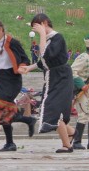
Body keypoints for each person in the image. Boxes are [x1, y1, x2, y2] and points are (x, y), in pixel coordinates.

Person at [21, 14, 75, 153]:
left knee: (53, 109)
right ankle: (71, 133)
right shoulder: (49, 40)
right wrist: (30, 67)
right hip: (53, 77)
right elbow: (43, 61)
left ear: (44, 23)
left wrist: (42, 36)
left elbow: (45, 55)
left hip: (61, 77)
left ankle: (67, 145)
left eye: (38, 26)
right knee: (51, 109)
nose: (37, 30)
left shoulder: (57, 38)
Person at [0, 20, 36, 152]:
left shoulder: (13, 43)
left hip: (12, 78)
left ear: (0, 29)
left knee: (3, 107)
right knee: (0, 111)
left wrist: (22, 67)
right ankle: (11, 141)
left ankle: (25, 122)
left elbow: (24, 59)